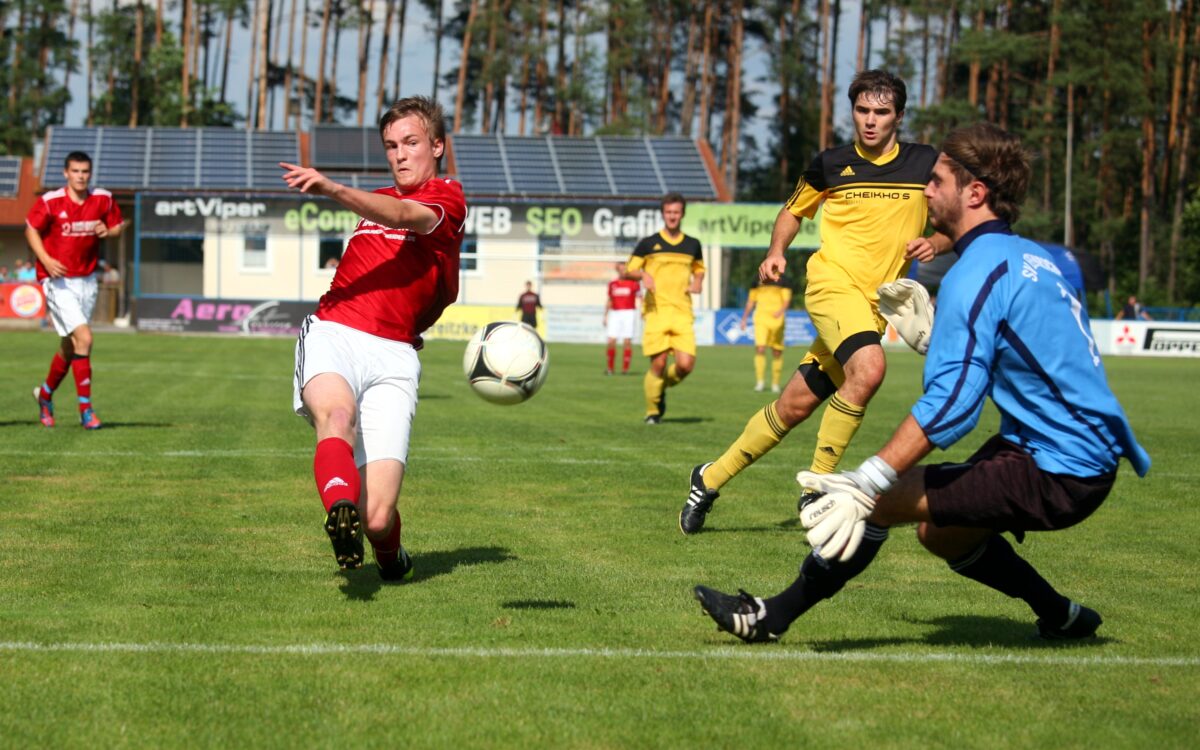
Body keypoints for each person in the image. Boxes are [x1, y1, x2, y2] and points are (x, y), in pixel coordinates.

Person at [694, 122, 1150, 644]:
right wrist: (946, 341)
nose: (926, 190)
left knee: (885, 498)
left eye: (938, 181)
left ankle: (769, 618)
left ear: (975, 193)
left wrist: (868, 478)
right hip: (1065, 450)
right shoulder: (1034, 259)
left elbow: (954, 407)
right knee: (942, 533)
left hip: (1060, 465)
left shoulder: (976, 273)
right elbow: (1042, 355)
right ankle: (1062, 615)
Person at [680, 69, 949, 533]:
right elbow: (793, 210)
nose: (870, 121)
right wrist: (776, 250)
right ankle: (818, 486)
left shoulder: (927, 163)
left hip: (873, 307)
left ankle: (709, 477)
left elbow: (956, 218)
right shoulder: (832, 163)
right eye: (862, 110)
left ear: (899, 117)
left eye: (881, 113)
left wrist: (937, 244)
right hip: (831, 286)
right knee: (870, 369)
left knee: (793, 407)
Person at [280, 95, 466, 580]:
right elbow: (388, 211)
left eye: (410, 142)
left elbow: (405, 217)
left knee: (380, 518)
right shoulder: (378, 200)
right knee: (337, 416)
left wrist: (333, 188)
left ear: (437, 146)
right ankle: (339, 510)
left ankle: (389, 557)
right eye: (390, 146)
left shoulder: (448, 200)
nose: (400, 154)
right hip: (335, 330)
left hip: (395, 355)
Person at [27, 151, 125, 430]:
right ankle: (86, 411)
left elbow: (118, 226)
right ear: (65, 173)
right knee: (85, 337)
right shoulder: (51, 202)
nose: (80, 176)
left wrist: (108, 230)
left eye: (85, 171)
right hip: (58, 281)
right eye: (75, 171)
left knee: (71, 346)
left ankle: (45, 396)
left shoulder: (102, 199)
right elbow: (30, 229)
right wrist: (46, 260)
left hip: (87, 281)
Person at [626, 192, 705, 424]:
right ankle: (653, 412)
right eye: (669, 212)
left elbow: (699, 269)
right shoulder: (648, 243)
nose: (672, 216)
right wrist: (642, 274)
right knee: (658, 363)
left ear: (682, 214)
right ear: (663, 214)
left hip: (682, 312)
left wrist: (698, 282)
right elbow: (628, 270)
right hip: (656, 311)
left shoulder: (692, 244)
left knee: (685, 365)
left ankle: (659, 387)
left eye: (676, 212)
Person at [740, 276, 792, 393]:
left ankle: (775, 383)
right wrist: (744, 319)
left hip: (777, 318)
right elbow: (751, 301)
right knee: (760, 348)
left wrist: (780, 311)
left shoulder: (783, 280)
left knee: (777, 351)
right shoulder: (757, 280)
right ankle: (760, 382)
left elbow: (786, 300)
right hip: (761, 318)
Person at [604, 261, 641, 375]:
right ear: (617, 270)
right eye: (620, 269)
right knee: (611, 341)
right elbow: (609, 300)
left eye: (625, 269)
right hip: (615, 313)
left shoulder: (634, 283)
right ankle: (610, 369)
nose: (623, 271)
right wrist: (605, 315)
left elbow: (641, 298)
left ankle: (625, 369)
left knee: (627, 341)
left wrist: (643, 311)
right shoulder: (613, 284)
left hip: (629, 312)